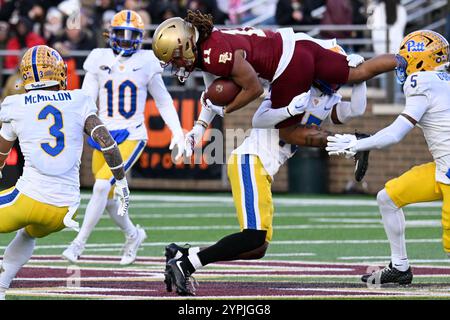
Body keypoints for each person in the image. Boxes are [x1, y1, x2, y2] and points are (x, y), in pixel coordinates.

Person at [165, 72, 368, 295]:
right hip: (251, 159)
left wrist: (361, 78)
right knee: (253, 236)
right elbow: (262, 117)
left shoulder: (329, 101)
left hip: (264, 168)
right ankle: (187, 265)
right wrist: (290, 110)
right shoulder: (290, 87)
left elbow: (356, 110)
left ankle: (183, 255)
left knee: (257, 248)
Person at [151, 10, 405, 146]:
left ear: (185, 46)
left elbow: (252, 89)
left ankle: (351, 144)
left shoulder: (214, 54)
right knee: (359, 72)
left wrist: (226, 108)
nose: (175, 65)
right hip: (298, 43)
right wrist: (200, 126)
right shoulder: (207, 46)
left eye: (174, 58)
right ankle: (408, 59)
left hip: (287, 66)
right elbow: (211, 96)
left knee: (288, 134)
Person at [0, 44, 130, 300]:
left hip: (27, 199)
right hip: (64, 212)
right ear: (59, 71)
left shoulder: (14, 104)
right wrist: (122, 182)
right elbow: (108, 144)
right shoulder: (79, 100)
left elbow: (2, 153)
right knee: (27, 234)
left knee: (23, 220)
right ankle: (2, 287)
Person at [326, 30, 450, 285]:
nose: (401, 66)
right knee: (388, 198)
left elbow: (395, 133)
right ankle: (400, 267)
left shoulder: (423, 83)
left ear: (419, 61)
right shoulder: (441, 80)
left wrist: (360, 142)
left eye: (405, 60)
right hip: (443, 168)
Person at [62, 10, 185, 266]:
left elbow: (162, 101)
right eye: (122, 34)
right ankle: (134, 234)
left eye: (133, 35)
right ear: (111, 34)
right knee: (106, 201)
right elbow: (87, 100)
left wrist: (177, 131)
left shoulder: (147, 61)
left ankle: (78, 243)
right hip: (104, 135)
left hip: (132, 133)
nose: (127, 40)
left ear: (141, 37)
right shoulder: (99, 58)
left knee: (100, 186)